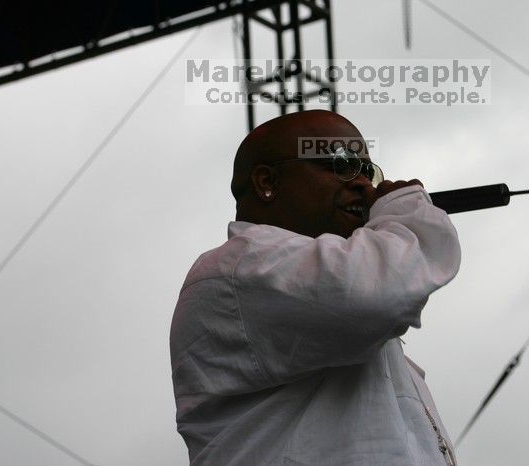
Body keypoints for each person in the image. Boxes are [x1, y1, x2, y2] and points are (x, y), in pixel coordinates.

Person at [170, 110, 461, 465]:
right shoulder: (240, 267)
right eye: (341, 163)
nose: (364, 186)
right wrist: (405, 209)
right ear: (267, 182)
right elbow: (383, 290)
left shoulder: (324, 285)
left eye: (367, 171)